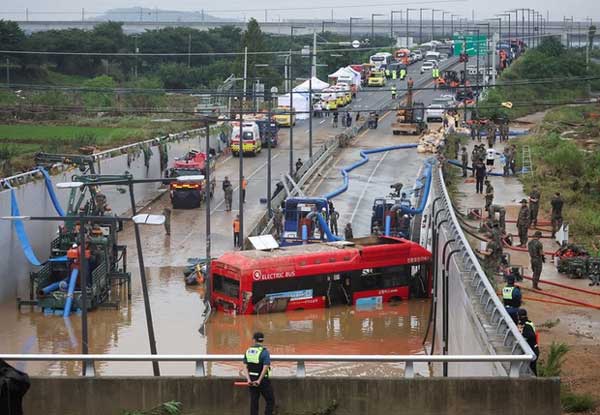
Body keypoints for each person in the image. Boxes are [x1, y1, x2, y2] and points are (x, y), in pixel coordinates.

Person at [242, 332, 275, 415]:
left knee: (254, 401)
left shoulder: (248, 351)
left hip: (251, 380)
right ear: (262, 340)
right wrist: (259, 380)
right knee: (270, 400)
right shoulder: (264, 352)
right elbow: (266, 366)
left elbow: (244, 367)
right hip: (263, 381)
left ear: (254, 340)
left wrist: (248, 380)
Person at [518, 309, 539, 376]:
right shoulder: (530, 323)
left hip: (532, 350)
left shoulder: (527, 326)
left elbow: (531, 336)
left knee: (531, 369)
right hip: (534, 348)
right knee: (532, 369)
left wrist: (523, 333)